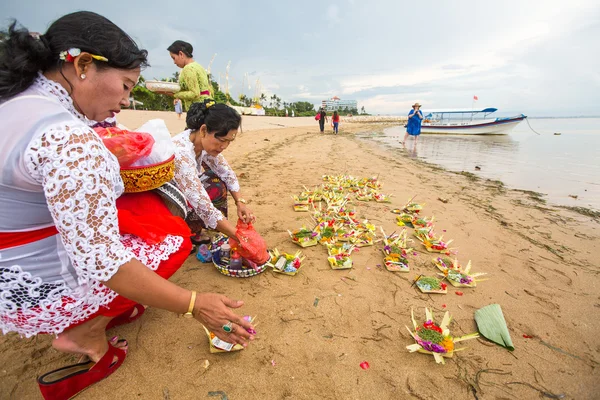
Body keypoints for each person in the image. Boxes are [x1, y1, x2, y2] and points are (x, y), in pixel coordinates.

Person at [0, 12, 253, 399]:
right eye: (124, 84)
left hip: (12, 248)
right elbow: (102, 261)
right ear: (83, 64)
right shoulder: (69, 138)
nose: (125, 100)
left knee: (156, 215)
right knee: (172, 239)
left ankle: (115, 307)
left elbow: (220, 170)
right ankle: (85, 335)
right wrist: (194, 303)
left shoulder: (17, 98)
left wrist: (238, 199)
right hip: (27, 275)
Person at [171, 99, 256, 244]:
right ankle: (179, 234)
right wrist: (240, 237)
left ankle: (193, 231)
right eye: (222, 140)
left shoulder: (202, 145)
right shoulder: (181, 153)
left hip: (183, 198)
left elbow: (227, 174)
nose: (224, 146)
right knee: (206, 191)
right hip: (166, 204)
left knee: (216, 181)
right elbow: (201, 203)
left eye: (229, 141)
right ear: (204, 130)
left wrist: (240, 203)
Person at [167, 40, 212, 111]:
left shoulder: (188, 69)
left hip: (198, 110)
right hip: (207, 105)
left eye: (174, 58)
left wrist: (175, 94)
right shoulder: (198, 66)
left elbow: (194, 93)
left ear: (181, 54)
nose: (174, 62)